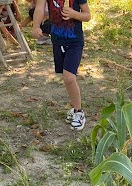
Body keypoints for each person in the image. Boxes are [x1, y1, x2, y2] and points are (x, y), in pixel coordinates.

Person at [32, 0, 90, 131]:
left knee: (69, 77)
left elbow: (87, 15)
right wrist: (36, 26)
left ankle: (79, 112)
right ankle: (74, 107)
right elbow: (40, 8)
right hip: (57, 42)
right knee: (65, 77)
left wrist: (74, 14)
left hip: (75, 42)